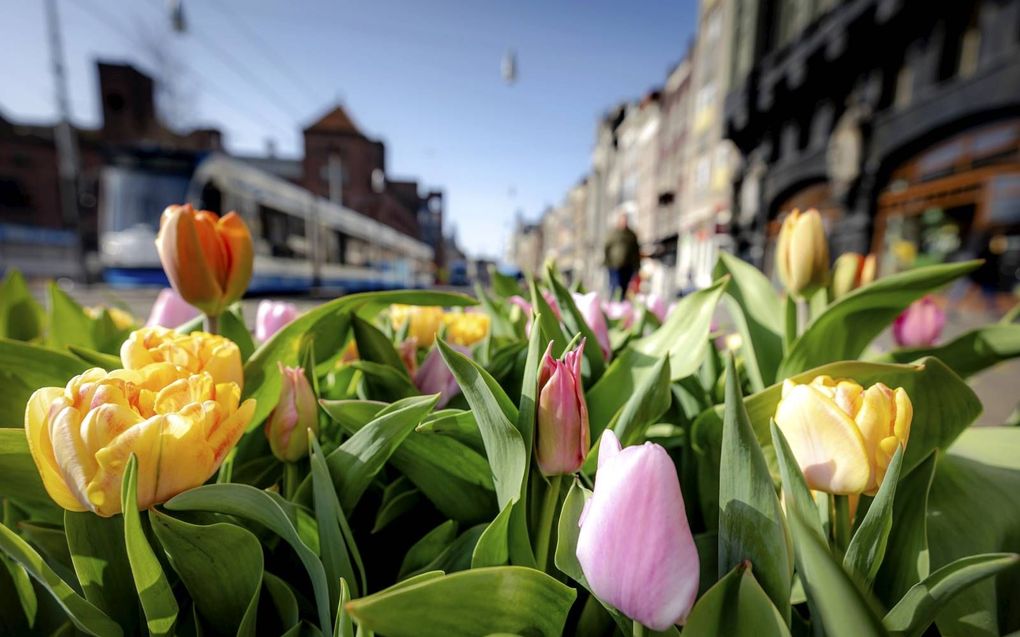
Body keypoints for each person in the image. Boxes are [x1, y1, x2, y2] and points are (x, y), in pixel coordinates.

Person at [604, 214, 641, 299]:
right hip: (614, 265)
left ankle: (621, 303)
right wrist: (607, 262)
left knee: (624, 286)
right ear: (618, 221)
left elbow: (636, 251)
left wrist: (637, 266)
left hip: (628, 265)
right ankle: (614, 303)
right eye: (622, 220)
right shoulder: (613, 233)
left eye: (625, 220)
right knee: (615, 285)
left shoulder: (631, 235)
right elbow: (607, 248)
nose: (624, 222)